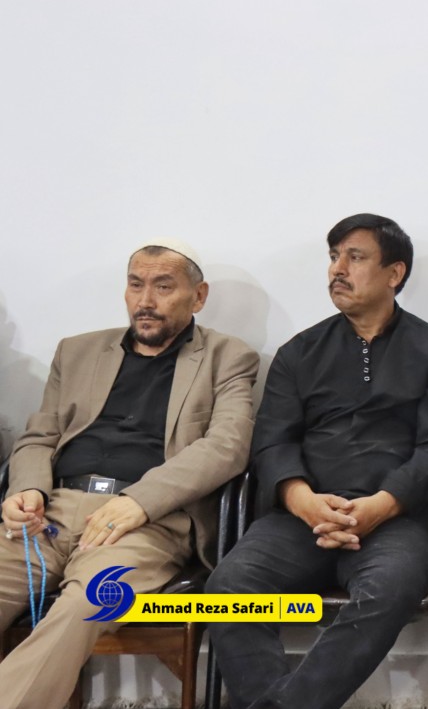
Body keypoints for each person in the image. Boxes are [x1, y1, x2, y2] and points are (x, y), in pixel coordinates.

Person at [206, 213, 428, 709]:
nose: (338, 269)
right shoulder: (299, 352)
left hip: (398, 519)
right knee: (229, 586)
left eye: (355, 257)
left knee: (388, 589)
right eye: (333, 257)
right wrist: (301, 499)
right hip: (302, 518)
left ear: (394, 273)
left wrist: (382, 505)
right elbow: (272, 442)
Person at [0, 239, 258, 709]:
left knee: (87, 605)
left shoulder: (228, 356)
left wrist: (140, 501)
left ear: (198, 296)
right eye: (136, 285)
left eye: (163, 286)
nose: (145, 300)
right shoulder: (77, 351)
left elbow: (228, 446)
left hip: (147, 524)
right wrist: (28, 489)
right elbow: (38, 437)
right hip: (49, 514)